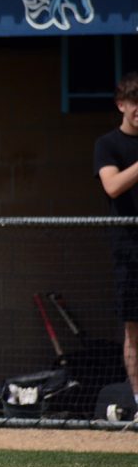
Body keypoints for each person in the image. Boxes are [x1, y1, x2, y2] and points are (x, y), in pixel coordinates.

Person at [93, 71, 138, 412]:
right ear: (121, 104)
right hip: (130, 251)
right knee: (133, 329)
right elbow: (113, 186)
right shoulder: (108, 145)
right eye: (134, 102)